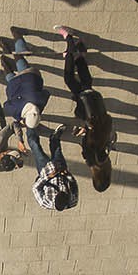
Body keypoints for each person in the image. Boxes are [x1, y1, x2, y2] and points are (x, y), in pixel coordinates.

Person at [56, 28, 116, 190]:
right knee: (69, 78)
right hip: (86, 105)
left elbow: (99, 133)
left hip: (96, 103)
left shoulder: (105, 153)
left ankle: (80, 51)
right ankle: (69, 42)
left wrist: (86, 131)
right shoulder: (93, 160)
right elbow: (88, 144)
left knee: (86, 81)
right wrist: (84, 130)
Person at [29, 125, 79, 212]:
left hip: (45, 169)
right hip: (60, 169)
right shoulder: (73, 201)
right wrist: (67, 175)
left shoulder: (45, 202)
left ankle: (30, 126)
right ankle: (54, 137)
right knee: (57, 150)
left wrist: (48, 176)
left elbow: (35, 188)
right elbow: (74, 185)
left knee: (35, 146)